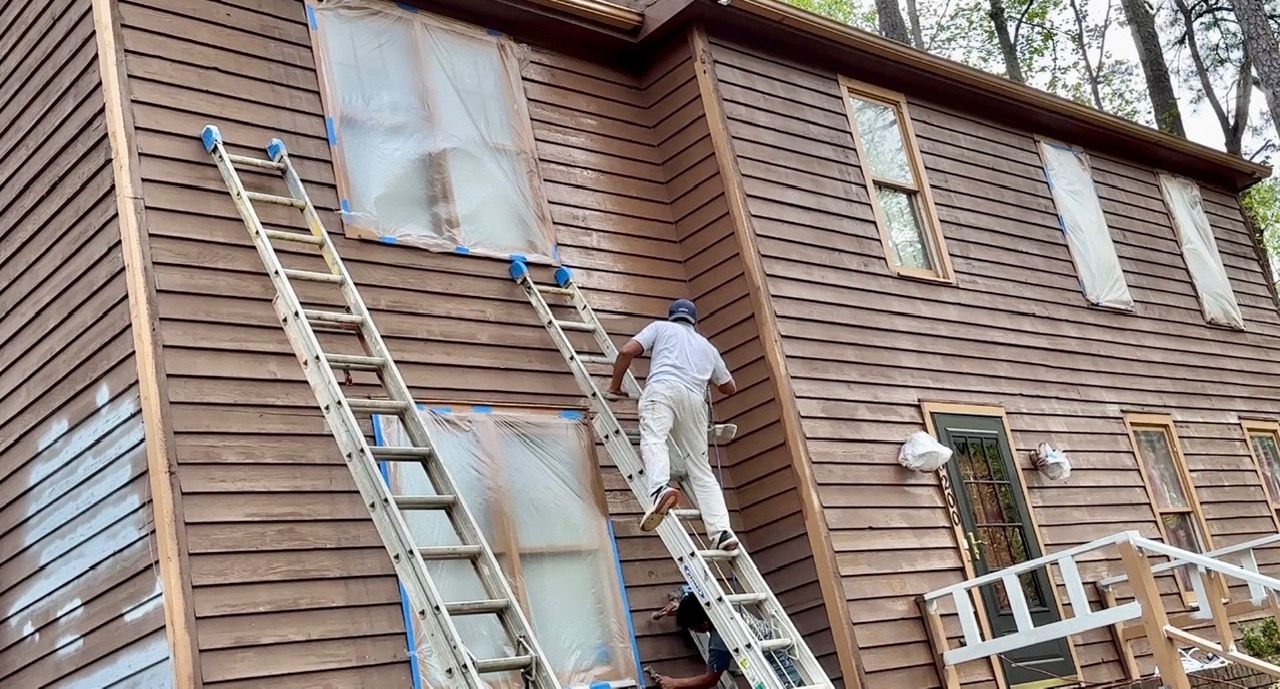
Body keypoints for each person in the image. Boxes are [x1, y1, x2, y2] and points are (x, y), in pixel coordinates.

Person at [608, 298, 738, 551]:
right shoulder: (707, 347)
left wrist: (615, 386)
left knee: (655, 439)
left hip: (663, 390)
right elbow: (729, 387)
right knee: (701, 468)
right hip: (694, 402)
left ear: (671, 317)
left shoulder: (660, 328)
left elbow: (626, 351)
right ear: (694, 321)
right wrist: (704, 374)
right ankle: (722, 532)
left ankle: (659, 490)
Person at [651, 594, 731, 689]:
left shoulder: (718, 645)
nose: (692, 630)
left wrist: (675, 683)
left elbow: (710, 680)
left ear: (705, 625)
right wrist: (683, 607)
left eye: (692, 627)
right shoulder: (722, 604)